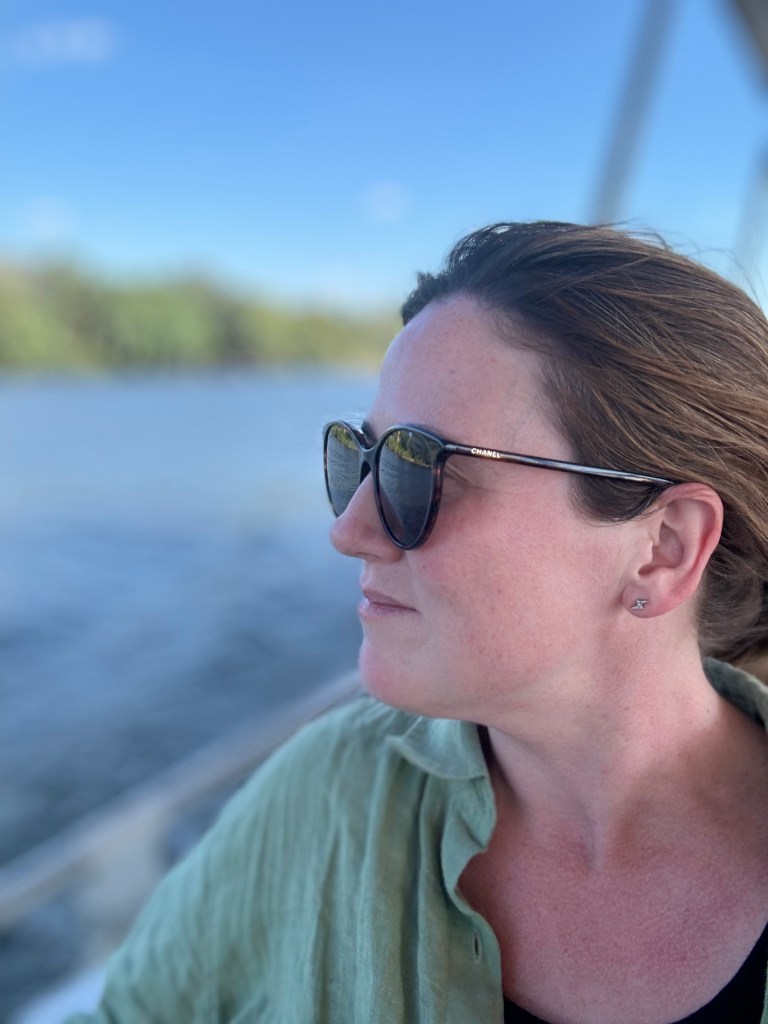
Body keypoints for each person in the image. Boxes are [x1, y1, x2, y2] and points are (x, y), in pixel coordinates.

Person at [70, 222, 768, 1024]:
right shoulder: (330, 793)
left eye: (420, 468)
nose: (349, 530)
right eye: (358, 459)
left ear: (664, 548)